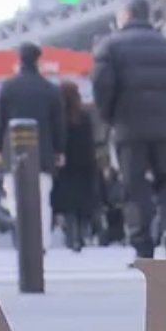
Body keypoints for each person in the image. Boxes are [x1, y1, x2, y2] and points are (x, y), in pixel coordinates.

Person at [92, 0, 166, 260]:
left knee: (135, 186)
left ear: (125, 15)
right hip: (165, 129)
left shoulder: (110, 47)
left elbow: (101, 87)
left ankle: (143, 246)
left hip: (129, 128)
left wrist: (109, 118)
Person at [0, 42, 65, 250]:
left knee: (14, 197)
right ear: (38, 60)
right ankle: (42, 242)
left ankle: (23, 239)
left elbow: (0, 121)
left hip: (13, 151)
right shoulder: (50, 89)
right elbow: (58, 124)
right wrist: (59, 150)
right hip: (43, 153)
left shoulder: (8, 87)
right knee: (42, 199)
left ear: (19, 59)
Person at [55, 81, 99, 252]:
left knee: (68, 205)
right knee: (82, 203)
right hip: (84, 165)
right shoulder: (84, 117)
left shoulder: (58, 118)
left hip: (65, 166)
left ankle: (71, 236)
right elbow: (90, 142)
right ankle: (82, 235)